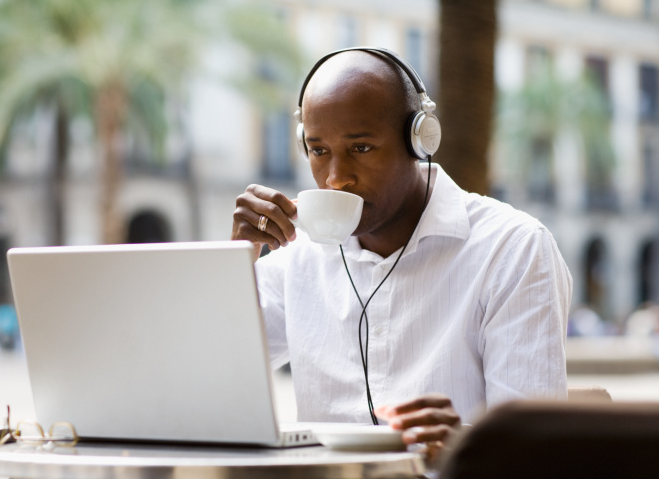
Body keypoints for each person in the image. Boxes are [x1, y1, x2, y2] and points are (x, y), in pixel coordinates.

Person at [231, 47, 572, 459]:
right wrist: (235, 262)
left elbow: (537, 454)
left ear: (420, 140)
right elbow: (207, 384)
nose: (335, 179)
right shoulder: (297, 260)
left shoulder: (512, 250)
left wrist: (466, 446)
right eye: (319, 150)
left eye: (360, 148)